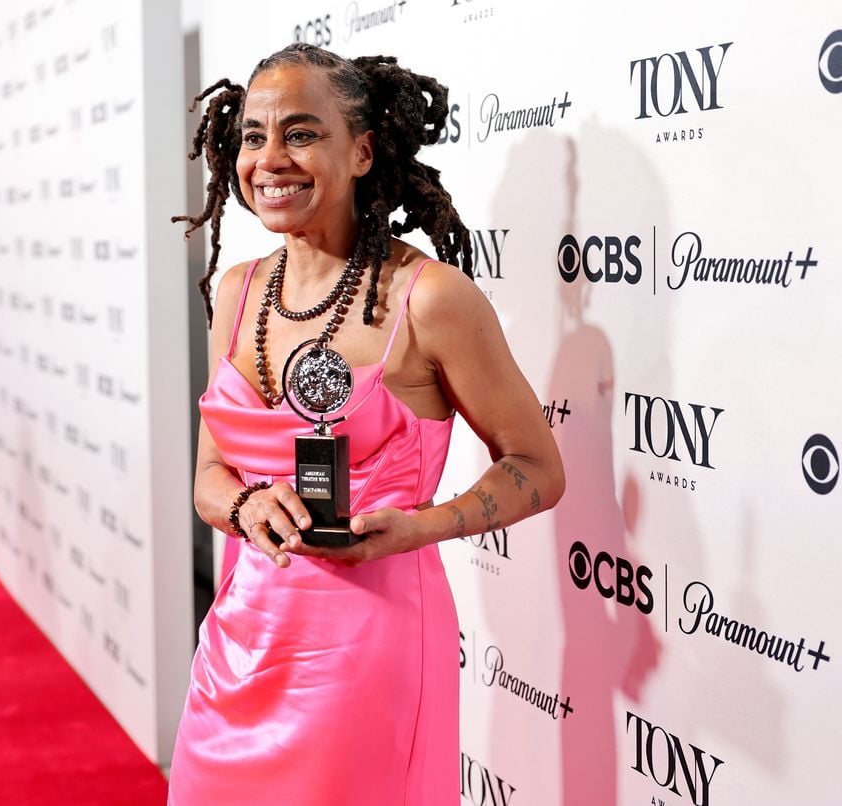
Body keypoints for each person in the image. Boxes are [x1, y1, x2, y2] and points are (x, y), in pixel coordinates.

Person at [168, 44, 565, 804]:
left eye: (302, 133)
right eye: (253, 136)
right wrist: (250, 505)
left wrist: (425, 525)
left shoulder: (431, 299)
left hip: (364, 651)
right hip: (236, 644)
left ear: (362, 151)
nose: (269, 159)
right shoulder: (236, 292)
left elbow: (538, 468)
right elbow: (210, 481)